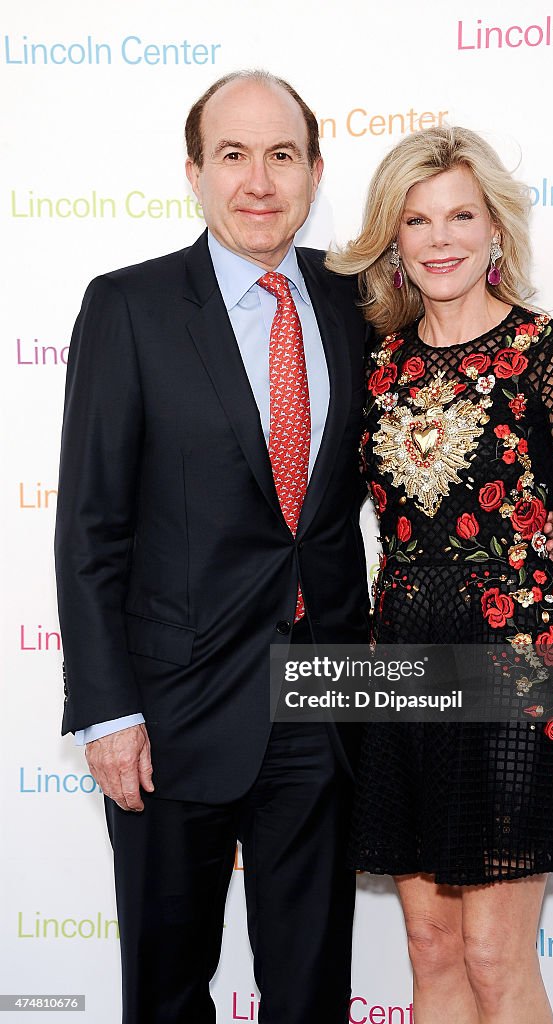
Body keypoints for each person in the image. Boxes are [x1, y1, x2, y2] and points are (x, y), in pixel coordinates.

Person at [54, 70, 372, 1024]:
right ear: (194, 171)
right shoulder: (130, 308)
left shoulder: (360, 302)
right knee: (167, 988)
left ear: (315, 171)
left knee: (311, 991)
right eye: (233, 154)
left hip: (324, 703)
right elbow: (91, 527)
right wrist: (107, 713)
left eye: (282, 155)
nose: (259, 180)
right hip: (170, 711)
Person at [327, 126, 553, 1023]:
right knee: (430, 949)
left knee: (491, 953)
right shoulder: (378, 364)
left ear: (496, 228)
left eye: (461, 215)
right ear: (393, 240)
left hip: (519, 671)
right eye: (418, 220)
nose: (441, 239)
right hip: (403, 670)